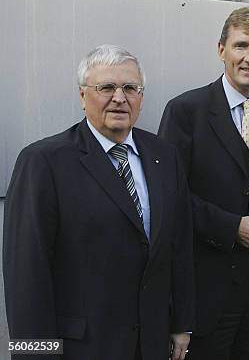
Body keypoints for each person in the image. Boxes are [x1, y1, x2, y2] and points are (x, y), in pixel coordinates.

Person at [3, 44, 194, 360]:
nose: (120, 97)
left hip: (151, 344)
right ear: (82, 96)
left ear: (141, 97)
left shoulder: (165, 156)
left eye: (130, 88)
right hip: (82, 348)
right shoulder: (43, 162)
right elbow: (26, 276)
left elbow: (179, 246)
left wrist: (182, 323)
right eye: (106, 87)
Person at [158, 6, 249, 360]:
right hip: (209, 285)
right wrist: (231, 227)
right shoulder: (185, 111)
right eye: (241, 46)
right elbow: (170, 198)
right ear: (221, 50)